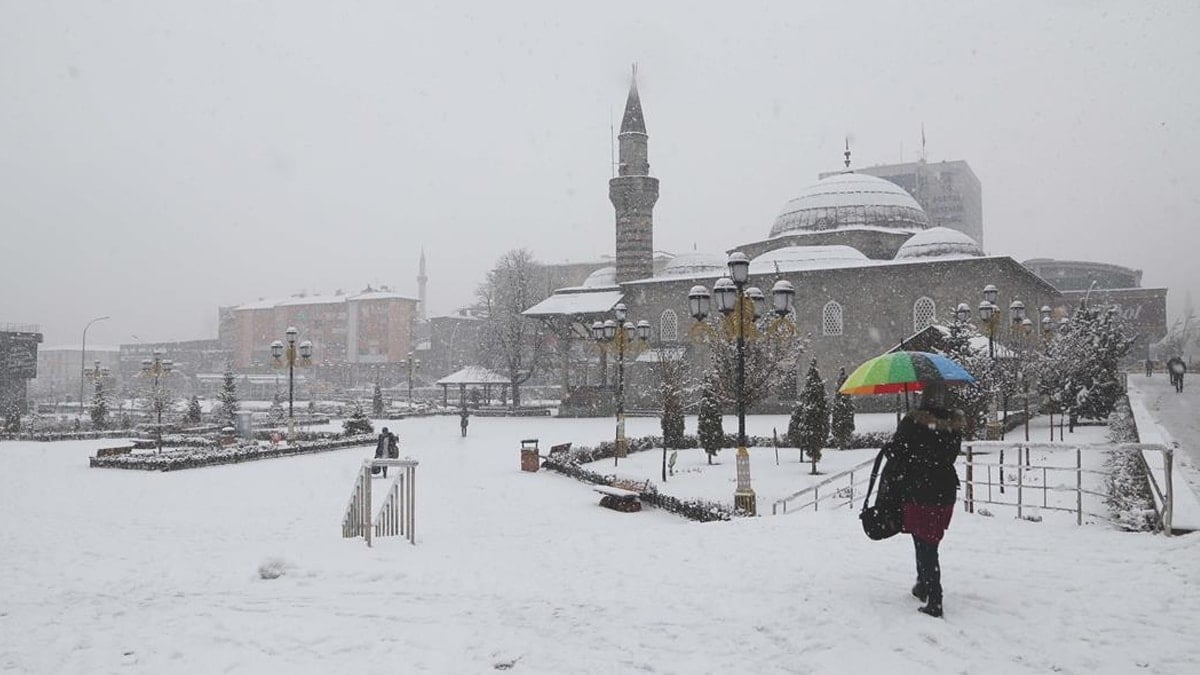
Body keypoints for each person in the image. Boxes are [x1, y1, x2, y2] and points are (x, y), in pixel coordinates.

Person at [884, 381, 963, 618]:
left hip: (919, 489)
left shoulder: (913, 422)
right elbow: (949, 455)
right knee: (929, 539)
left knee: (924, 542)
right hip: (945, 490)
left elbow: (899, 452)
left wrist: (897, 443)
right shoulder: (954, 425)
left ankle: (935, 598)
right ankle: (922, 584)